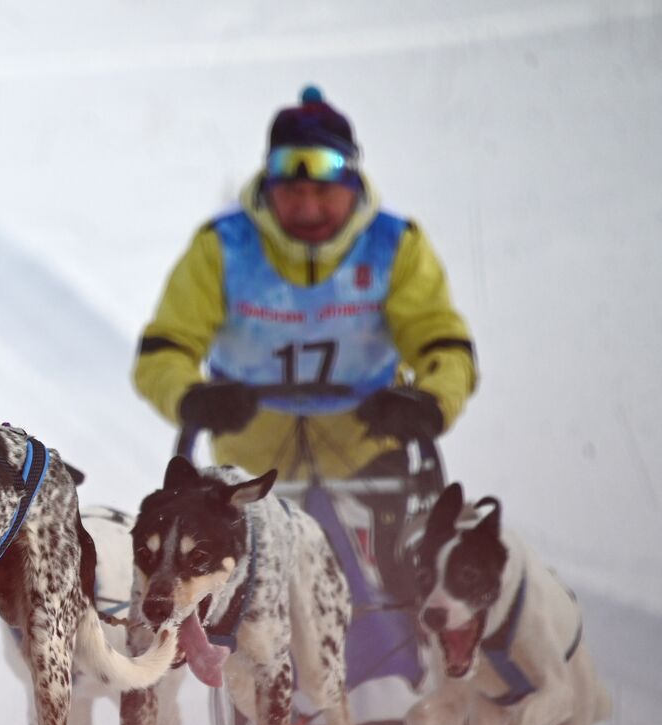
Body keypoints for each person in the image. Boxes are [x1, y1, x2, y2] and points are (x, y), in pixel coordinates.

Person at [132, 86, 478, 483]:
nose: (308, 209)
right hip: (251, 482)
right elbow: (164, 350)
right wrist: (191, 397)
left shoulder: (395, 247)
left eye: (324, 192)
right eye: (292, 193)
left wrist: (430, 402)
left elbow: (444, 345)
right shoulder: (222, 248)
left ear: (352, 186)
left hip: (372, 472)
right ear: (268, 186)